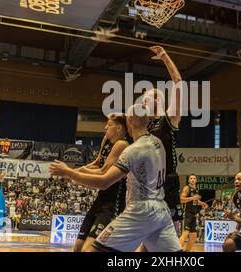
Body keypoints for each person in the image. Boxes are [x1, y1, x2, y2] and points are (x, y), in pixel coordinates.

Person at [50, 104, 181, 252]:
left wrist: (68, 172)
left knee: (93, 250)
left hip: (140, 210)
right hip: (161, 210)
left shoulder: (132, 150)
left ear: (129, 120)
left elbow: (104, 181)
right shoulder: (158, 143)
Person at [72, 113, 129, 252]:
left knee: (89, 249)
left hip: (114, 202)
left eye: (109, 125)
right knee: (78, 247)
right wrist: (75, 171)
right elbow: (97, 163)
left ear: (119, 128)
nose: (105, 127)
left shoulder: (121, 144)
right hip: (101, 198)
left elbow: (104, 171)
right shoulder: (106, 140)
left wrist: (74, 173)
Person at [143, 46, 184, 231]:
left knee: (173, 231)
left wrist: (164, 57)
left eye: (147, 98)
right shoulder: (143, 128)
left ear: (158, 100)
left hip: (168, 180)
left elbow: (178, 82)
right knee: (146, 233)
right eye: (143, 100)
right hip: (148, 182)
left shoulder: (169, 119)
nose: (143, 102)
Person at [179, 174, 208, 252]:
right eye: (191, 178)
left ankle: (187, 251)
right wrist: (193, 198)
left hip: (194, 214)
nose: (192, 179)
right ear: (188, 180)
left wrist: (202, 203)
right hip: (187, 212)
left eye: (194, 178)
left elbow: (194, 201)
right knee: (185, 233)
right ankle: (176, 250)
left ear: (196, 180)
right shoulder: (186, 188)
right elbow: (181, 199)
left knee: (193, 236)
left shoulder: (196, 189)